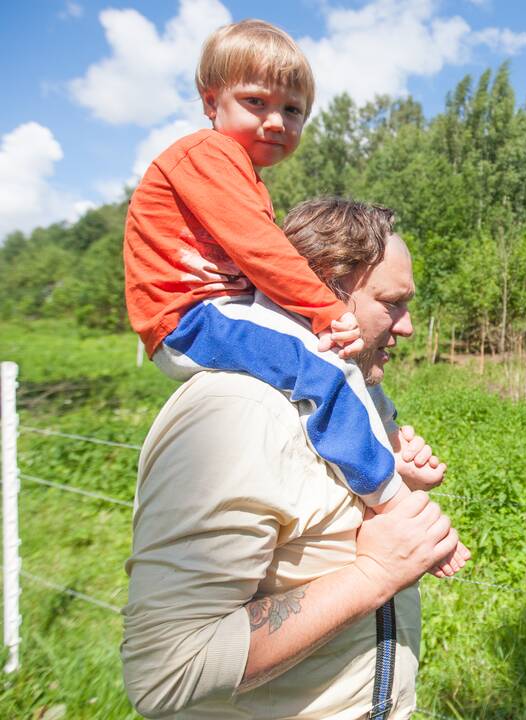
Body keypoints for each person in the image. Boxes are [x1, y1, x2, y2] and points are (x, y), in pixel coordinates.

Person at [123, 198, 460, 719]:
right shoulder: (236, 413)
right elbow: (168, 671)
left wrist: (397, 484)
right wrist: (376, 573)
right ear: (318, 293)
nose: (409, 325)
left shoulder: (347, 399)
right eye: (392, 302)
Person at [123, 18, 423, 513]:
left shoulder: (238, 172)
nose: (277, 121)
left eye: (293, 110)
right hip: (192, 317)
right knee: (325, 369)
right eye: (255, 102)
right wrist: (329, 311)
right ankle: (389, 499)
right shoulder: (207, 154)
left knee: (339, 358)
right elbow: (261, 251)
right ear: (210, 101)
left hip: (218, 310)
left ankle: (388, 442)